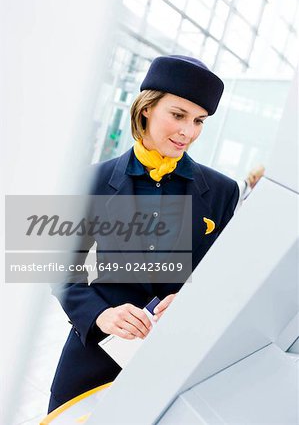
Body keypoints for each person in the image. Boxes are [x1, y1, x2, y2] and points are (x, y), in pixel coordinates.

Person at [48, 55, 240, 412]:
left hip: (171, 365)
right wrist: (100, 314)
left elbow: (221, 275)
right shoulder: (91, 180)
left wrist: (191, 301)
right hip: (93, 357)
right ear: (147, 108)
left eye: (199, 121)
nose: (189, 132)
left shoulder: (222, 191)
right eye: (178, 115)